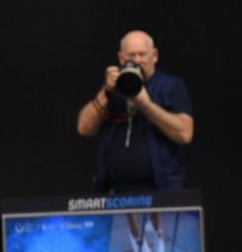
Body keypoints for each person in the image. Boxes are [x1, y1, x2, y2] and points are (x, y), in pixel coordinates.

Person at [77, 30, 194, 194]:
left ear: (154, 56)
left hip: (162, 191)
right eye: (132, 55)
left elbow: (185, 133)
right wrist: (106, 92)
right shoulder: (112, 88)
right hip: (114, 193)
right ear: (121, 58)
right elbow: (84, 128)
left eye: (142, 54)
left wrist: (147, 106)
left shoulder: (171, 86)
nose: (137, 60)